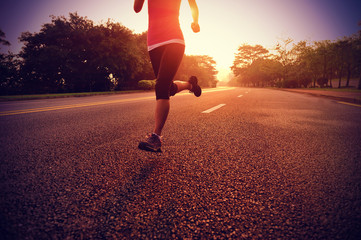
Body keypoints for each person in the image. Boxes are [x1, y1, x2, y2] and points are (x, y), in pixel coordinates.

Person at [134, 0, 202, 152]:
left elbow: (192, 4)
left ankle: (156, 138)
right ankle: (190, 84)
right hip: (153, 43)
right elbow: (137, 8)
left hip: (174, 39)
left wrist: (195, 21)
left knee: (161, 85)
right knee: (168, 88)